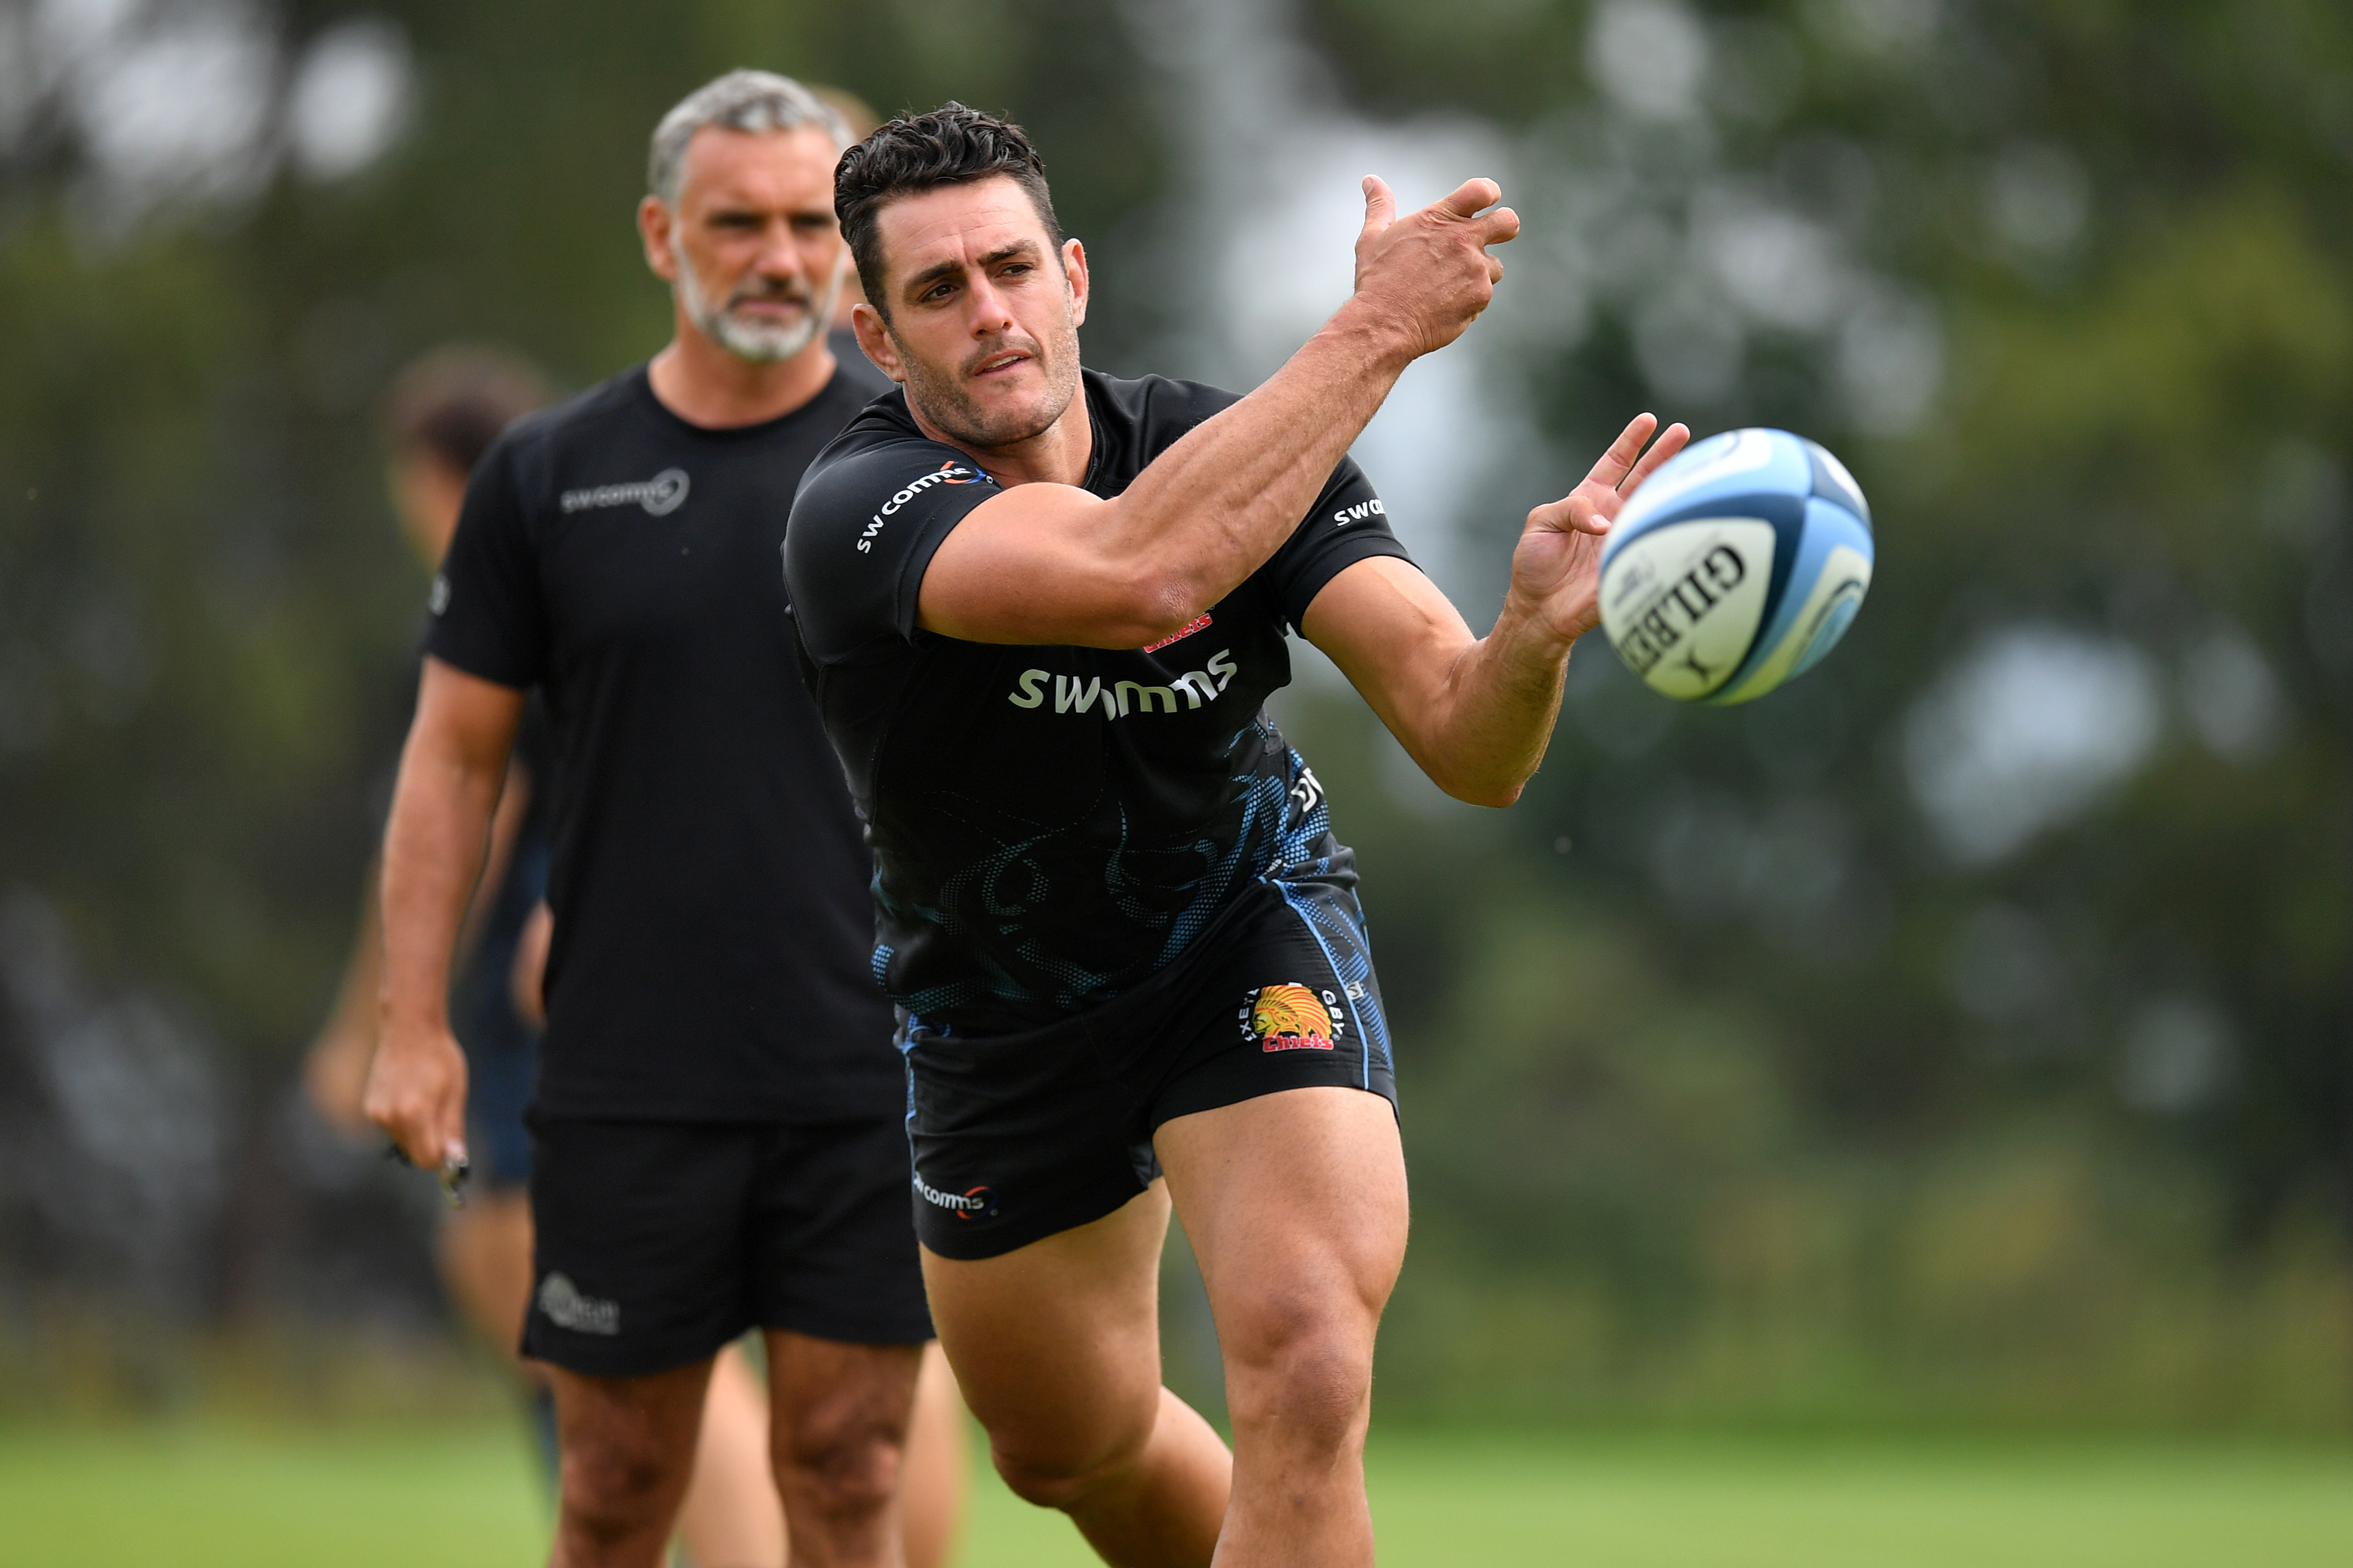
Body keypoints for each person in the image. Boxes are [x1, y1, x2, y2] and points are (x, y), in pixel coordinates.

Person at [784, 104, 1688, 1567]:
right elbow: (1136, 571)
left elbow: (1465, 742)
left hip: (1242, 931)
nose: (990, 313)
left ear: (1073, 277)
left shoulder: (1236, 447)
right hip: (999, 1011)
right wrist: (1375, 331)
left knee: (1307, 1368)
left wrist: (1528, 635)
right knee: (1065, 1446)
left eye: (1011, 268)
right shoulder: (857, 509)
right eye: (939, 290)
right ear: (878, 339)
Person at [364, 72, 962, 1568]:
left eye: (808, 224)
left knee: (846, 1471)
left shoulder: (929, 462)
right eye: (735, 223)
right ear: (659, 236)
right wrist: (411, 1023)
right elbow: (453, 764)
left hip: (867, 1067)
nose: (777, 257)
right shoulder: (544, 476)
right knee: (616, 1486)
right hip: (626, 1078)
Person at [304, 346, 839, 1568]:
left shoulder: (500, 590)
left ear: (437, 478)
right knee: (551, 1299)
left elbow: (475, 814)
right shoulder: (603, 559)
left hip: (546, 997)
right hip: (657, 974)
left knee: (613, 1318)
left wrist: (386, 1024)